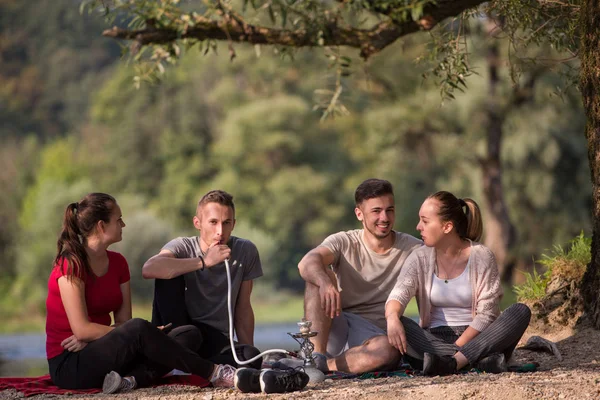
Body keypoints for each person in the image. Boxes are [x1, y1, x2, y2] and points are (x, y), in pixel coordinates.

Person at [46, 193, 238, 394]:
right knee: (139, 327)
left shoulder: (119, 263)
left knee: (188, 334)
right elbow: (82, 330)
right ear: (102, 226)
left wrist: (107, 335)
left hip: (107, 352)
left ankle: (129, 381)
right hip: (70, 362)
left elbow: (123, 324)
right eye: (118, 219)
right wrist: (133, 332)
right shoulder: (70, 264)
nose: (123, 224)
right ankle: (216, 373)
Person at [385, 191, 531, 376]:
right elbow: (399, 294)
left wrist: (459, 350)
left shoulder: (482, 256)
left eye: (425, 221)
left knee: (520, 311)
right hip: (434, 338)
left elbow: (487, 315)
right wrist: (391, 318)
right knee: (399, 321)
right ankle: (479, 361)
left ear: (447, 227)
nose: (418, 226)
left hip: (479, 336)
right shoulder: (419, 257)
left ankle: (451, 362)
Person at [285, 179, 422, 374]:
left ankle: (319, 367)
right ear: (359, 213)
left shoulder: (413, 248)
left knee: (389, 350)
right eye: (376, 211)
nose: (384, 217)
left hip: (376, 339)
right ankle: (315, 356)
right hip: (336, 326)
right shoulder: (344, 241)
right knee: (319, 274)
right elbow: (306, 262)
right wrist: (325, 282)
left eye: (389, 210)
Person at [142, 190, 263, 370]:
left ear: (233, 224)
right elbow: (149, 269)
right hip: (178, 330)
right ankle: (190, 362)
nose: (220, 232)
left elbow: (243, 307)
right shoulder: (182, 246)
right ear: (197, 223)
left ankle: (195, 366)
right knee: (168, 269)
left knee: (251, 357)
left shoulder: (245, 250)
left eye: (226, 223)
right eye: (213, 222)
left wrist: (248, 357)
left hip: (213, 338)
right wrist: (204, 261)